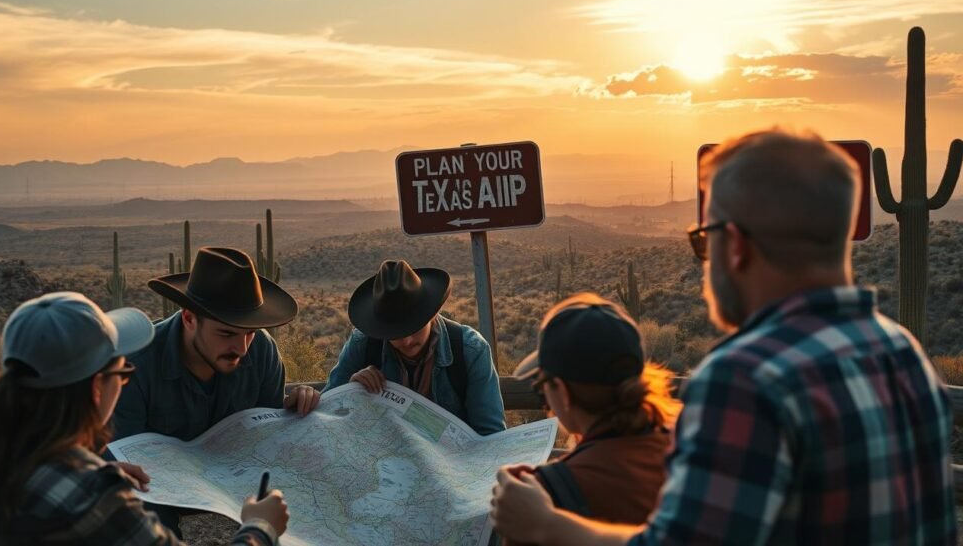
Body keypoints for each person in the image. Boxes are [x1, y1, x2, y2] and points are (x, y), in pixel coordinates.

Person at [491, 129, 957, 545]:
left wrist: (546, 526)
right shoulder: (902, 353)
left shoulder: (747, 379)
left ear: (734, 245)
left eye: (702, 239)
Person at [0, 292, 289, 544]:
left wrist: (96, 477)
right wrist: (260, 528)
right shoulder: (91, 498)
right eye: (122, 374)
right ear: (96, 387)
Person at [112, 246, 320, 536]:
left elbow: (267, 441)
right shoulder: (135, 365)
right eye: (226, 334)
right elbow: (126, 466)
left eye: (249, 332)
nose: (242, 348)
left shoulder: (261, 350)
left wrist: (292, 411)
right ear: (188, 318)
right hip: (156, 484)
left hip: (231, 474)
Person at [504, 292, 679, 535]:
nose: (545, 400)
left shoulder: (543, 498)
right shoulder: (686, 451)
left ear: (563, 393)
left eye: (541, 386)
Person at [324, 259, 505, 435]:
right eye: (396, 334)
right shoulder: (362, 345)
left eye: (414, 328)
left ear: (431, 314)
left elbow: (490, 434)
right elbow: (326, 416)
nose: (408, 341)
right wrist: (351, 392)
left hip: (453, 462)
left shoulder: (470, 349)